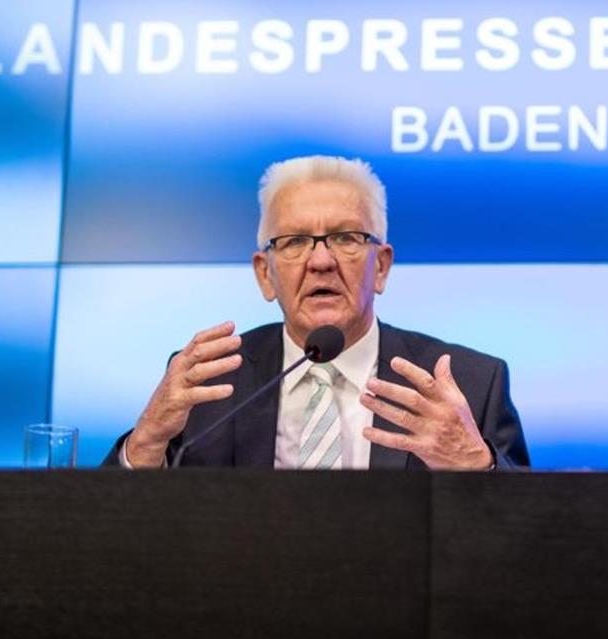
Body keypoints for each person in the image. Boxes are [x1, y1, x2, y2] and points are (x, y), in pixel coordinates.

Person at [103, 155, 528, 470]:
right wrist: (146, 442)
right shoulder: (209, 385)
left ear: (380, 266)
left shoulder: (468, 384)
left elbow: (531, 542)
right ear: (264, 275)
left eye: (345, 237)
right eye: (293, 241)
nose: (321, 261)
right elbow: (111, 528)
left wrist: (477, 463)